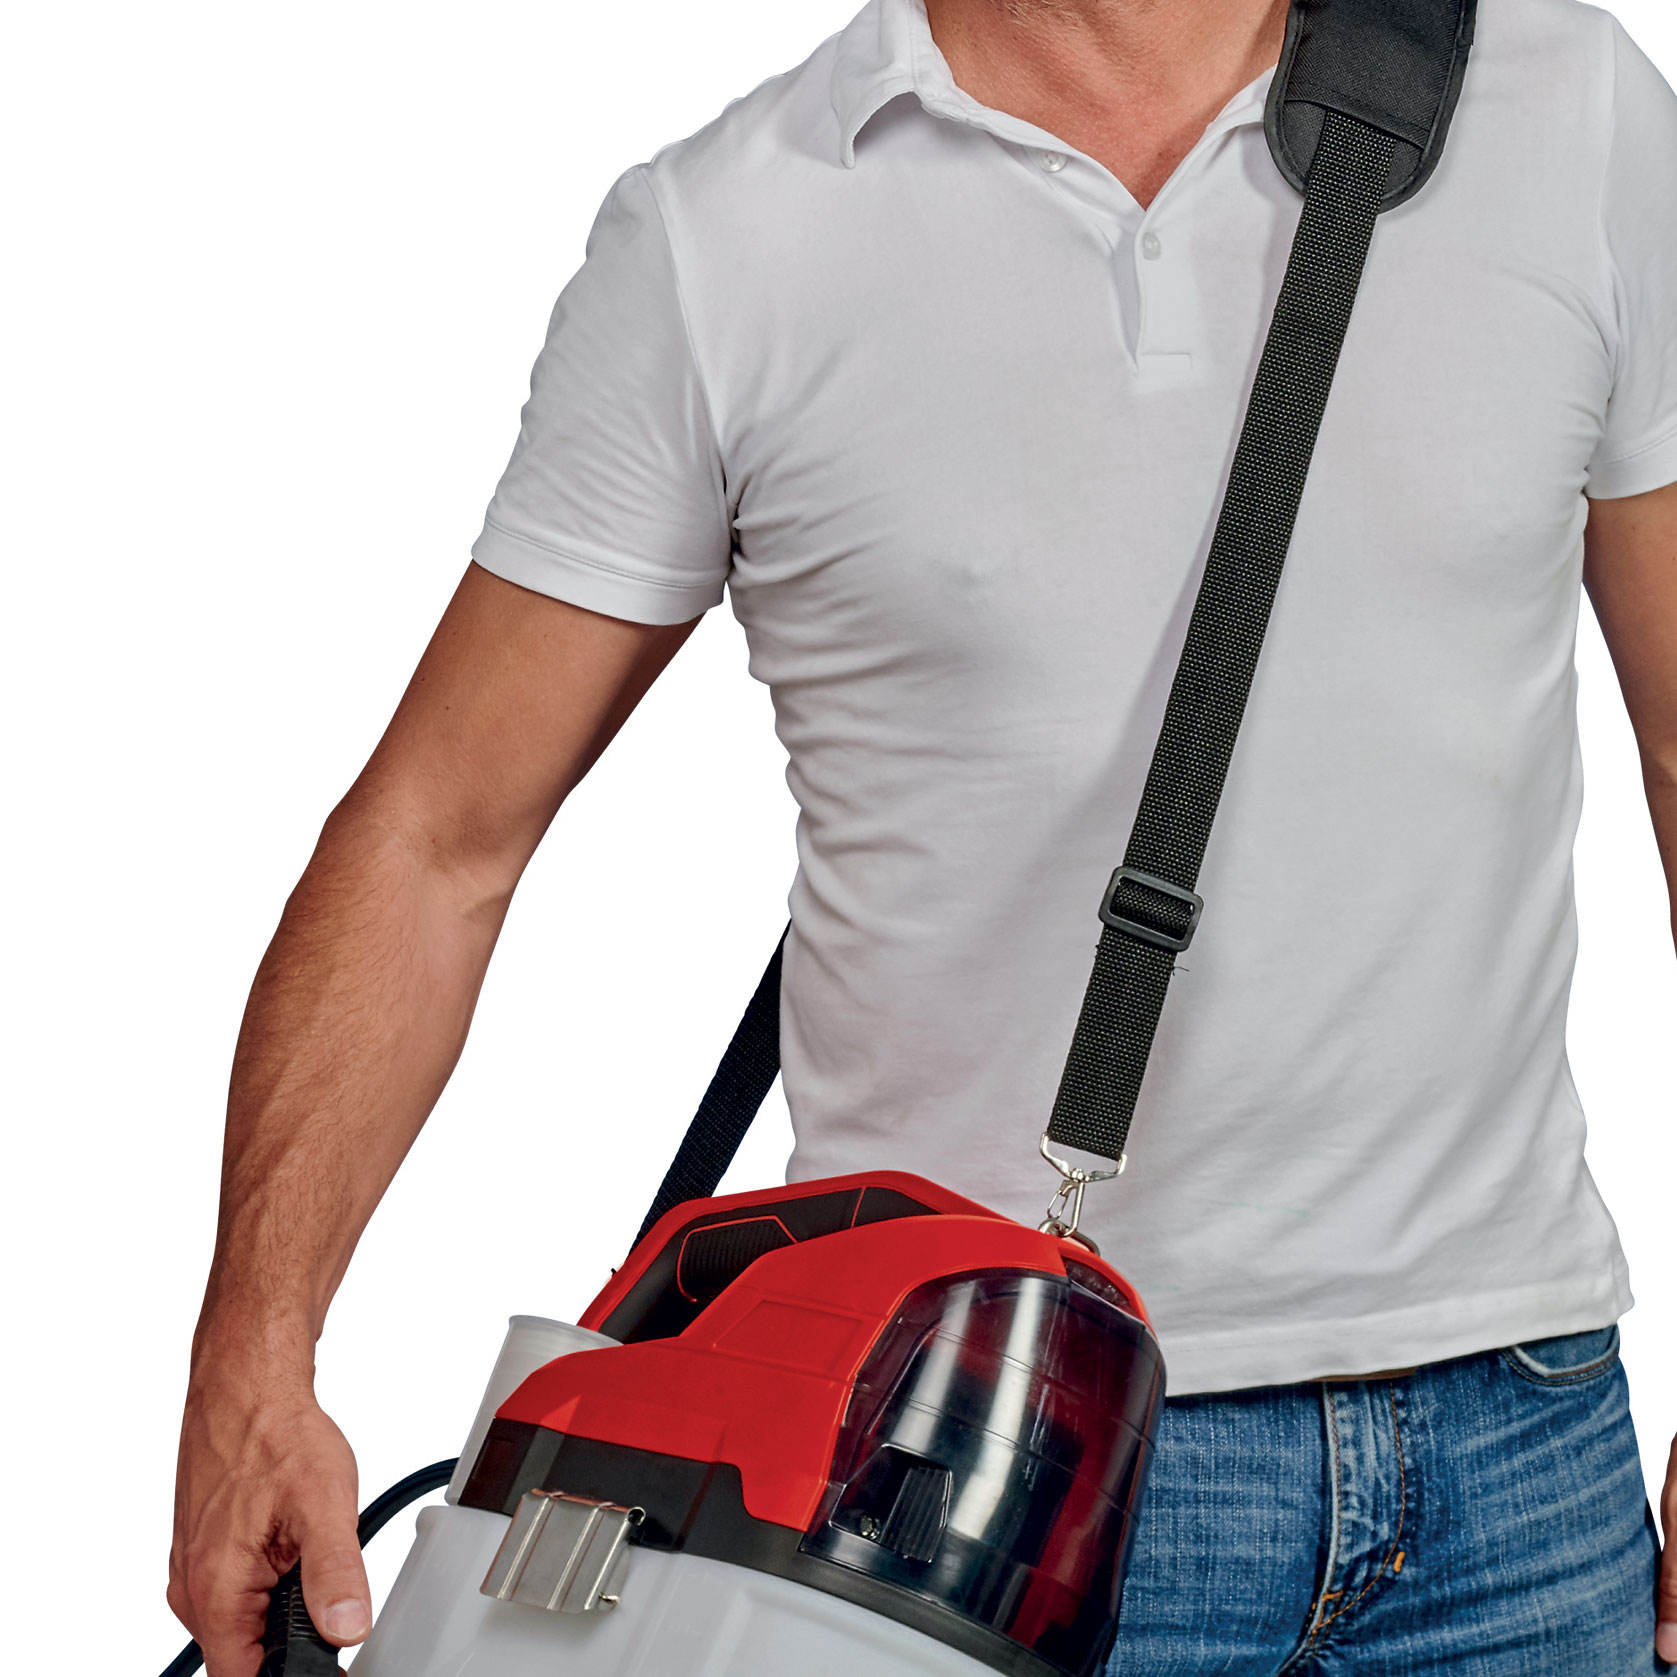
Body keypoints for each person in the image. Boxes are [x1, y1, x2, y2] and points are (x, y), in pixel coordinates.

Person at [167, 0, 1677, 1670]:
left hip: (1519, 1447)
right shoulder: (732, 233)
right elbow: (434, 837)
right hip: (970, 1481)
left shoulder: (1568, 109)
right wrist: (251, 1355)